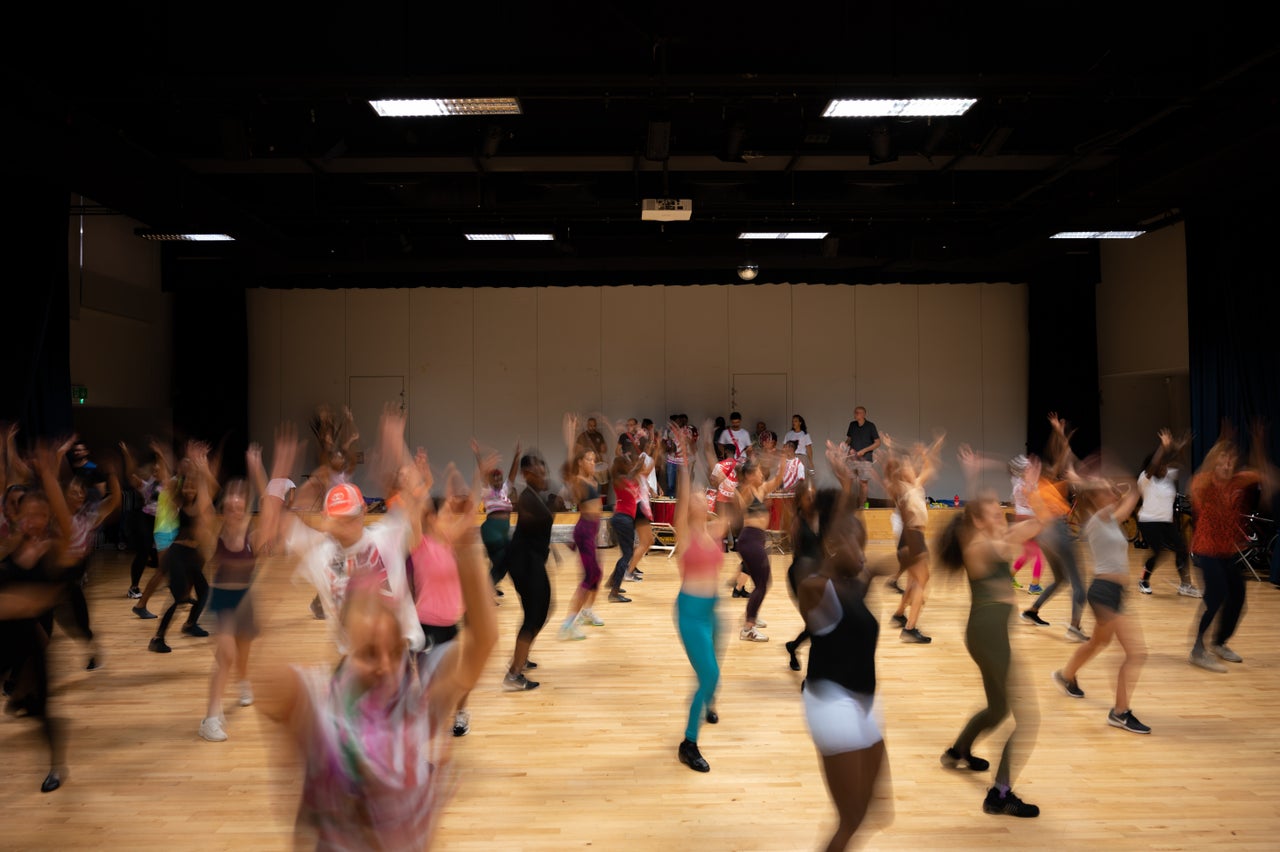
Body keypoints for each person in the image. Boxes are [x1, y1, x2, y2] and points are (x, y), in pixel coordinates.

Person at [253, 426, 497, 850]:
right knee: (349, 750)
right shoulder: (319, 552)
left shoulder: (383, 536)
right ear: (330, 518)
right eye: (339, 517)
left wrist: (460, 539)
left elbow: (416, 501)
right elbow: (274, 532)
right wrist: (278, 476)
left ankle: (396, 786)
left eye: (352, 516)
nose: (346, 524)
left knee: (402, 728)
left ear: (360, 514)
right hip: (352, 664)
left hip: (396, 656)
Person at [797, 441, 893, 851]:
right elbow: (833, 539)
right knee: (850, 819)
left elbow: (912, 554)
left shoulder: (858, 580)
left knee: (876, 809)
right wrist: (841, 492)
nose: (866, 552)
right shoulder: (816, 589)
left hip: (867, 702)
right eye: (859, 544)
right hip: (830, 703)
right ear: (835, 545)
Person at [938, 445, 1043, 818]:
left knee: (998, 709)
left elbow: (979, 513)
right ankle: (1000, 794)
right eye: (996, 513)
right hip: (989, 635)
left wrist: (973, 474)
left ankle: (958, 751)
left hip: (983, 633)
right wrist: (1032, 490)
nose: (1002, 515)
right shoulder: (990, 544)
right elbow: (1038, 523)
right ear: (981, 522)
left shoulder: (980, 539)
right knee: (1027, 719)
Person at [0, 438, 77, 792]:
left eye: (39, 514)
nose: (33, 520)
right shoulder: (9, 544)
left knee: (43, 711)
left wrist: (49, 476)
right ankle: (18, 695)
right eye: (26, 512)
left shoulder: (52, 547)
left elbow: (66, 520)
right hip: (4, 635)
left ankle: (56, 767)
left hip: (34, 639)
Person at [1052, 467, 1150, 733]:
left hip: (1115, 593)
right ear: (1097, 498)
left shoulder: (1112, 519)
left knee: (1099, 642)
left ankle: (1066, 674)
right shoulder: (1096, 519)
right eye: (1107, 491)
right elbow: (1121, 497)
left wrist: (1130, 483)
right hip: (1104, 592)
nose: (1112, 492)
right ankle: (1120, 712)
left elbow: (1132, 497)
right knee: (1135, 653)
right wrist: (1104, 485)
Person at [1186, 423, 1275, 672]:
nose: (1227, 465)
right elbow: (1197, 484)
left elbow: (1263, 473)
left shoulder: (1239, 480)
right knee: (1215, 597)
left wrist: (1258, 445)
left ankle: (1219, 642)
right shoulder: (1203, 482)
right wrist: (1216, 450)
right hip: (1205, 550)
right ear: (1214, 462)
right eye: (1222, 461)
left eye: (1230, 461)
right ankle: (1197, 650)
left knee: (1237, 598)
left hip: (1229, 551)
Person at [198, 447, 270, 742]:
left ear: (245, 506)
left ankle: (243, 682)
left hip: (246, 599)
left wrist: (257, 470)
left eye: (240, 503)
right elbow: (203, 510)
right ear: (225, 505)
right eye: (230, 502)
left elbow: (270, 505)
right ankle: (210, 718)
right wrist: (204, 473)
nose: (234, 507)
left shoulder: (254, 535)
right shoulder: (214, 533)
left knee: (242, 652)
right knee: (225, 654)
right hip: (223, 599)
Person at [671, 426, 730, 773]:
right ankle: (688, 743)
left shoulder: (714, 531)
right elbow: (683, 491)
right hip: (691, 613)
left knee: (713, 674)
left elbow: (729, 498)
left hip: (713, 610)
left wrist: (708, 449)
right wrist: (684, 455)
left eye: (700, 496)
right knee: (708, 674)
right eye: (693, 497)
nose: (697, 498)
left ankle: (708, 700)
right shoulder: (685, 530)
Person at [1020, 413, 1090, 643]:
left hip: (1044, 536)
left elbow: (1059, 459)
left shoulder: (1042, 484)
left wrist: (1059, 434)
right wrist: (1060, 436)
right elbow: (1059, 460)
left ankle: (1032, 611)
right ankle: (1075, 626)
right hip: (1057, 531)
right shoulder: (1037, 486)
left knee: (1061, 579)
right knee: (1079, 582)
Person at [147, 442, 217, 653]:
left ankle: (189, 624)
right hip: (178, 556)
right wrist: (161, 454)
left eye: (192, 487)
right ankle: (157, 638)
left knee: (203, 592)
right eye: (186, 486)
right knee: (179, 598)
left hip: (192, 556)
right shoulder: (181, 502)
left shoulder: (201, 502)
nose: (188, 489)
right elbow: (167, 480)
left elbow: (211, 487)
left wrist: (202, 467)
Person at [500, 451, 556, 689]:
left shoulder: (535, 495)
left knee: (539, 611)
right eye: (538, 473)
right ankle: (513, 674)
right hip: (524, 563)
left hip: (529, 560)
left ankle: (520, 658)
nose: (543, 476)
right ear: (526, 474)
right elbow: (542, 520)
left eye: (544, 471)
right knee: (536, 614)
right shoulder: (527, 498)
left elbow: (540, 529)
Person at [883, 433, 945, 644]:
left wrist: (927, 452)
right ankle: (910, 628)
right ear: (902, 473)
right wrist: (892, 449)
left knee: (914, 581)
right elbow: (892, 472)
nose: (912, 467)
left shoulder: (916, 485)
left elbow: (929, 469)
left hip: (914, 538)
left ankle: (900, 614)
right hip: (911, 539)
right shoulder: (902, 490)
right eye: (908, 466)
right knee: (921, 581)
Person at [558, 414, 606, 639]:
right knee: (589, 577)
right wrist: (570, 436)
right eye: (588, 459)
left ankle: (587, 612)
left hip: (592, 531)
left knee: (597, 573)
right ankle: (568, 624)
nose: (592, 462)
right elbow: (570, 459)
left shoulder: (593, 480)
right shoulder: (578, 480)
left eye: (593, 459)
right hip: (584, 531)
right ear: (580, 462)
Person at [1136, 429, 1198, 596]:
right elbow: (1154, 465)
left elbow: (1180, 464)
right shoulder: (1145, 478)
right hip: (1148, 521)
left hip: (1166, 521)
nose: (1165, 468)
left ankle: (1185, 585)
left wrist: (1181, 448)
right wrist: (1162, 447)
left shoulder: (1168, 476)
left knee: (1182, 549)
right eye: (1161, 466)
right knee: (1158, 552)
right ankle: (1143, 580)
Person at [734, 454, 788, 642]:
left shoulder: (761, 489)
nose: (762, 475)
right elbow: (742, 479)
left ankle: (751, 618)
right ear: (750, 476)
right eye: (758, 472)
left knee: (761, 584)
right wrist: (758, 462)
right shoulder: (746, 491)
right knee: (763, 584)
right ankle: (748, 628)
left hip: (755, 541)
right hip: (749, 540)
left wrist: (781, 464)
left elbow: (778, 479)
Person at [474, 439, 520, 598]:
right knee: (502, 563)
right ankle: (485, 592)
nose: (499, 481)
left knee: (503, 562)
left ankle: (488, 587)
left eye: (500, 478)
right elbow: (482, 472)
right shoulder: (487, 491)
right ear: (490, 480)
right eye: (495, 478)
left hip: (502, 533)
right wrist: (478, 454)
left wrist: (517, 456)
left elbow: (512, 475)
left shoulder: (505, 490)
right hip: (492, 531)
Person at [605, 433, 644, 603]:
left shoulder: (629, 479)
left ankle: (613, 582)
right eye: (627, 463)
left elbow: (638, 469)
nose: (630, 465)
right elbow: (636, 468)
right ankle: (613, 593)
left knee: (625, 554)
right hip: (622, 519)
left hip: (624, 519)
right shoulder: (619, 479)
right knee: (627, 555)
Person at [1008, 454, 1045, 595]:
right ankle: (1034, 586)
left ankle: (1010, 577)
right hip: (1026, 521)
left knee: (1028, 554)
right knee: (1037, 555)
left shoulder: (1022, 482)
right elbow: (1031, 495)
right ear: (1023, 471)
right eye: (1028, 468)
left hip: (1028, 520)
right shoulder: (1021, 485)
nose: (1031, 469)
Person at [844, 406, 881, 494]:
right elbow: (849, 439)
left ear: (864, 414)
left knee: (863, 483)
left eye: (858, 412)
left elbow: (878, 442)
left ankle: (862, 506)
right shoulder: (852, 425)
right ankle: (848, 504)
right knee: (848, 481)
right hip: (852, 458)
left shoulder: (870, 426)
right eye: (855, 412)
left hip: (865, 459)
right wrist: (844, 446)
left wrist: (864, 450)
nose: (855, 414)